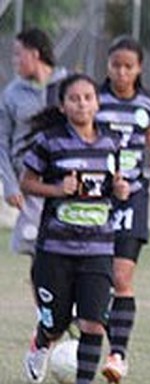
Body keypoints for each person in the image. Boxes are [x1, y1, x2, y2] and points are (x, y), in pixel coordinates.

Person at [20, 73, 129, 384]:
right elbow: (27, 182)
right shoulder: (49, 143)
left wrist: (120, 191)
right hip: (55, 249)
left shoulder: (111, 143)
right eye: (74, 99)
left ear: (97, 103)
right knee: (57, 321)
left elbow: (113, 185)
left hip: (98, 250)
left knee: (93, 322)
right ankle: (42, 340)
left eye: (88, 98)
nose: (82, 104)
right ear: (64, 106)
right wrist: (57, 189)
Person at [94, 35, 150, 384]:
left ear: (139, 69)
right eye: (115, 66)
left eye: (128, 66)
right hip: (97, 197)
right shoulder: (94, 100)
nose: (121, 72)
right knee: (96, 276)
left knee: (122, 278)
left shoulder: (148, 103)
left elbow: (148, 131)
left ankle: (118, 355)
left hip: (134, 196)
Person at [1, 28, 68, 308]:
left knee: (68, 252)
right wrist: (10, 184)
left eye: (18, 54)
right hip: (30, 185)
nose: (14, 60)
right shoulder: (12, 93)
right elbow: (1, 141)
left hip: (65, 183)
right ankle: (48, 317)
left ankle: (72, 312)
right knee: (37, 253)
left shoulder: (66, 84)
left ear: (35, 53)